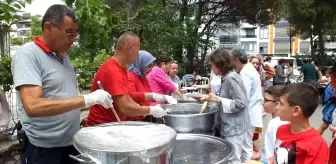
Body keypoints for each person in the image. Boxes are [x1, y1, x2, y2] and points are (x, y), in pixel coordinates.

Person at [11, 5, 113, 164]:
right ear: (48, 27)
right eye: (69, 32)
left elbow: (63, 96)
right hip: (43, 150)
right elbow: (33, 106)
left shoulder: (64, 58)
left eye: (75, 34)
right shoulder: (28, 54)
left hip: (70, 143)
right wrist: (87, 100)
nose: (73, 40)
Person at [85, 32, 167, 126]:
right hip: (100, 127)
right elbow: (125, 108)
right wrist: (151, 110)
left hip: (112, 125)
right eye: (137, 50)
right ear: (129, 48)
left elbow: (126, 97)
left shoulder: (122, 68)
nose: (137, 55)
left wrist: (142, 104)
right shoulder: (113, 70)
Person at [199, 48, 248, 164]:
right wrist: (213, 98)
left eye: (212, 65)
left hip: (234, 128)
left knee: (233, 159)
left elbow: (241, 103)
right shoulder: (226, 77)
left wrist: (219, 99)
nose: (212, 68)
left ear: (220, 65)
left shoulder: (231, 78)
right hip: (230, 126)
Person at [272, 83, 328, 164]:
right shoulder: (281, 129)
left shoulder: (317, 145)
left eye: (281, 103)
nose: (277, 107)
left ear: (296, 110)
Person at [231, 49, 263, 162]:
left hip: (248, 113)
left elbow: (243, 98)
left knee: (245, 146)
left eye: (232, 62)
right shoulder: (250, 70)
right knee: (247, 144)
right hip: (252, 111)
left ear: (237, 60)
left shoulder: (245, 73)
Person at [127, 50, 170, 121]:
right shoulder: (130, 77)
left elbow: (147, 96)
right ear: (141, 64)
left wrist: (160, 99)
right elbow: (130, 96)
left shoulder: (143, 78)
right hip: (133, 120)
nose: (151, 70)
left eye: (152, 67)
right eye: (149, 66)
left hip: (143, 116)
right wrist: (152, 96)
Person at [261, 85, 288, 163]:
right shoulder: (280, 121)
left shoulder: (276, 123)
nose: (263, 102)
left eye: (266, 100)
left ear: (277, 104)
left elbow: (278, 154)